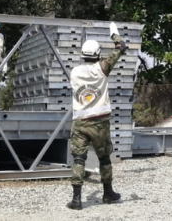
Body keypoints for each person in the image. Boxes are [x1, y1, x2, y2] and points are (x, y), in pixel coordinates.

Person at [66, 22, 127, 210]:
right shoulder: (103, 68)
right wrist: (114, 35)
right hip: (100, 121)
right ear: (98, 54)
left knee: (79, 159)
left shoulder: (74, 72)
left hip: (80, 122)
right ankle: (108, 193)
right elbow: (121, 48)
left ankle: (76, 199)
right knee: (104, 159)